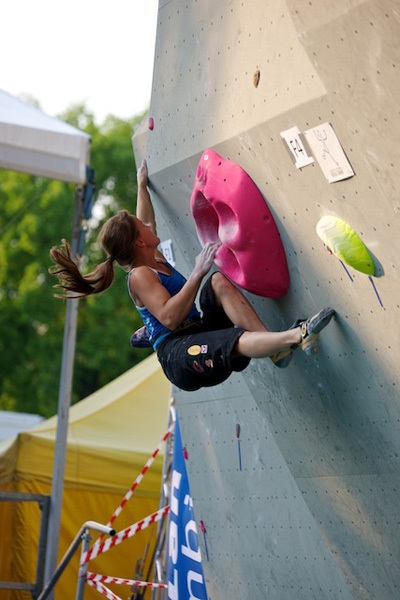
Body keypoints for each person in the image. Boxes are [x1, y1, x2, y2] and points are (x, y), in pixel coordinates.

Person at [49, 159, 335, 391]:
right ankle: (298, 335)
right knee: (230, 337)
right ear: (139, 242)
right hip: (178, 355)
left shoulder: (152, 255)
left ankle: (274, 348)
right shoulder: (138, 276)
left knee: (217, 282)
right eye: (143, 228)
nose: (149, 227)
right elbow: (170, 318)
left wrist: (141, 185)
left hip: (196, 331)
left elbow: (146, 218)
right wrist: (197, 271)